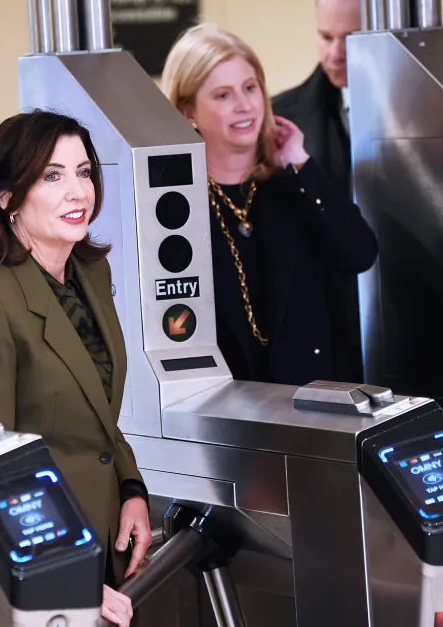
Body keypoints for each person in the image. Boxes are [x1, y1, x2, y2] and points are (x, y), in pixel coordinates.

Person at [0, 110, 152, 627]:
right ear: (6, 197)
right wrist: (70, 579)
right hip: (45, 560)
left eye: (83, 172)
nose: (77, 192)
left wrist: (131, 490)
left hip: (105, 539)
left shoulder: (90, 273)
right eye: (52, 176)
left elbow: (97, 411)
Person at [161, 23, 377, 386]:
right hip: (223, 411)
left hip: (307, 403)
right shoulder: (173, 206)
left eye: (250, 88)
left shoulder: (292, 184)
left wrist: (300, 164)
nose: (245, 105)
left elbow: (359, 253)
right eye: (223, 95)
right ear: (188, 113)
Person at [272, 0, 366, 382]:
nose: (335, 54)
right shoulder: (282, 119)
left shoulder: (438, 114)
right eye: (325, 36)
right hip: (330, 351)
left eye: (350, 37)